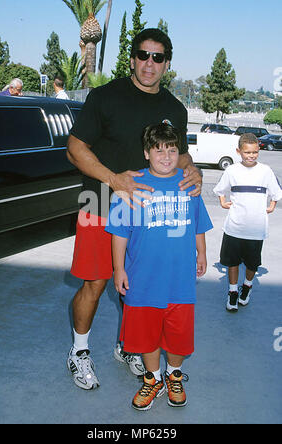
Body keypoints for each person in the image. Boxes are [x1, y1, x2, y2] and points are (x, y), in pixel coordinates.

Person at [66, 28, 203, 390]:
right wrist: (114, 179)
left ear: (167, 64)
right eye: (143, 55)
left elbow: (180, 153)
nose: (149, 64)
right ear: (132, 58)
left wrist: (192, 168)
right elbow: (75, 148)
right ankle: (79, 352)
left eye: (158, 58)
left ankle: (127, 348)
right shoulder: (105, 97)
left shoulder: (175, 108)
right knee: (95, 281)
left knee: (137, 287)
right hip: (99, 202)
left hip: (150, 214)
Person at [105, 122, 213, 410]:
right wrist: (119, 268)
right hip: (143, 280)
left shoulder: (188, 182)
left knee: (178, 336)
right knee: (146, 335)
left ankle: (173, 375)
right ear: (146, 152)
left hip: (179, 280)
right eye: (158, 150)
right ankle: (152, 378)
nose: (166, 156)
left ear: (180, 153)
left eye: (172, 150)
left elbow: (198, 224)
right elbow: (119, 232)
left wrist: (201, 252)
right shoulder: (133, 184)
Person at [213, 133, 282, 312]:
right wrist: (222, 201)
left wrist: (272, 205)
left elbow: (276, 192)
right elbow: (220, 189)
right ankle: (233, 292)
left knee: (252, 264)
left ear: (258, 150)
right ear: (239, 151)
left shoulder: (266, 171)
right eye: (247, 152)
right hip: (234, 227)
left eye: (254, 152)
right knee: (232, 262)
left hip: (256, 229)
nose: (251, 156)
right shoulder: (231, 171)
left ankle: (247, 286)